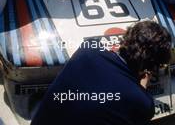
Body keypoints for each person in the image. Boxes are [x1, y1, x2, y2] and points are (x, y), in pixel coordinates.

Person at [31, 20, 171, 125]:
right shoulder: (143, 103)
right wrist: (141, 88)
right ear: (153, 66)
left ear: (127, 37)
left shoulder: (87, 50)